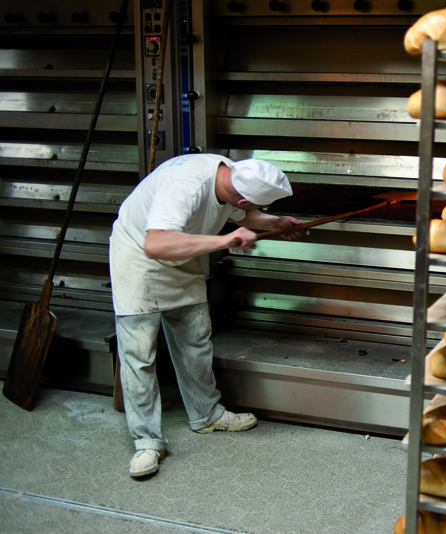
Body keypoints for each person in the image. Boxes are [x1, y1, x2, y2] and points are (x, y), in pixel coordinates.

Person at [110, 154, 306, 478]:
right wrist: (226, 240)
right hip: (139, 258)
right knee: (139, 355)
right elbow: (155, 244)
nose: (256, 212)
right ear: (243, 196)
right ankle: (147, 442)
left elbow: (243, 214)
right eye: (258, 207)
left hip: (182, 253)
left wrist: (275, 222)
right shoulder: (185, 187)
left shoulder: (229, 172)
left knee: (195, 338)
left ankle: (207, 414)